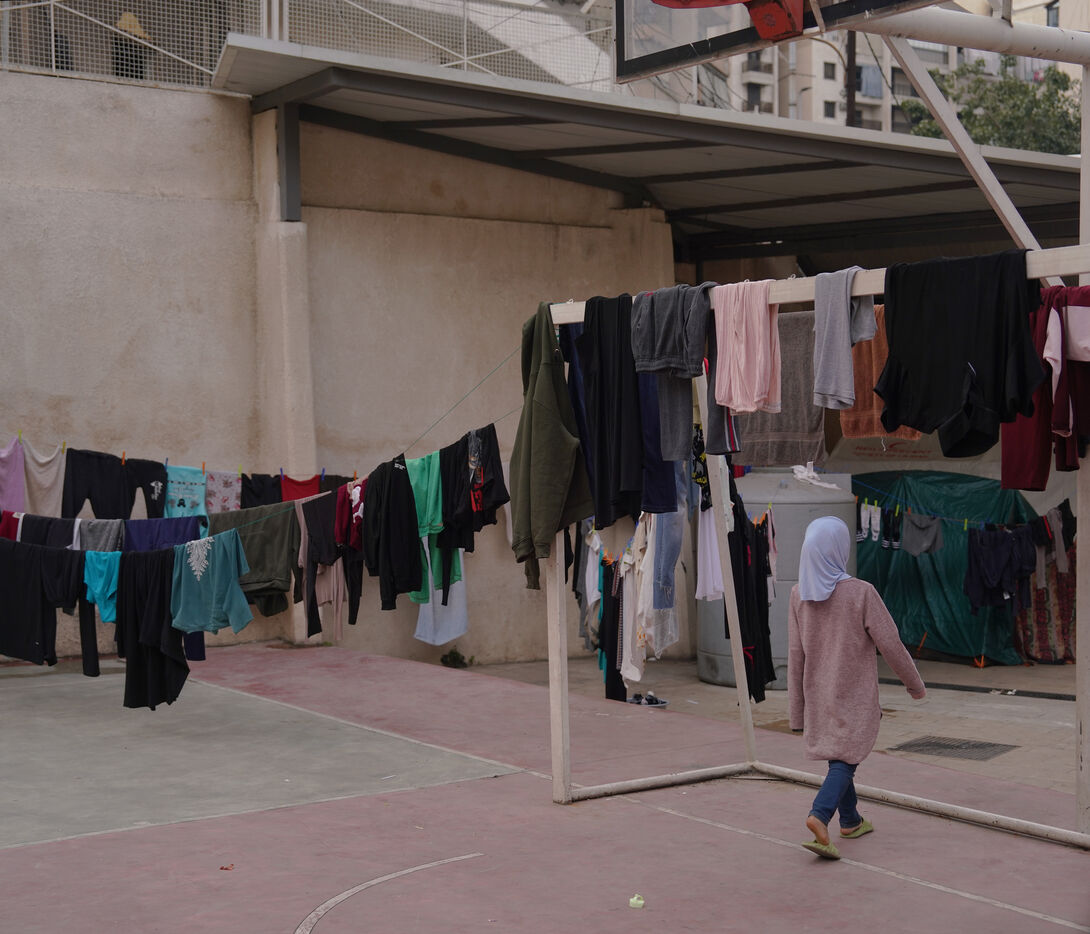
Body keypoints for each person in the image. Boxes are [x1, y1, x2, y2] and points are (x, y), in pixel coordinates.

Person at [788, 515, 926, 860]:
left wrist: (796, 711)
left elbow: (795, 655)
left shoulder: (798, 594)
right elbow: (891, 644)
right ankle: (820, 815)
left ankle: (850, 821)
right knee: (847, 758)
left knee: (840, 754)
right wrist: (914, 685)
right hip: (854, 694)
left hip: (818, 694)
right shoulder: (862, 593)